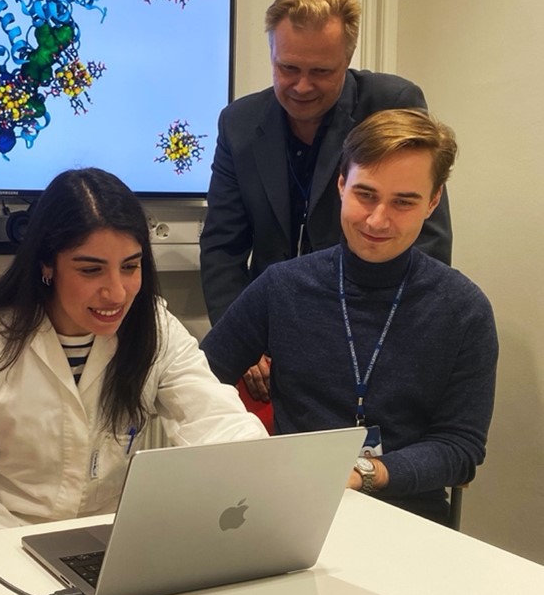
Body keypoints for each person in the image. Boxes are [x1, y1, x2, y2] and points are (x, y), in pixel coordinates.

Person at [0, 167, 266, 537]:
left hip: (108, 543)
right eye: (91, 270)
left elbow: (218, 421)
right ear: (47, 264)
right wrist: (15, 551)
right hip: (0, 544)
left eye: (130, 266)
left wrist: (257, 470)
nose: (116, 293)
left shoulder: (155, 328)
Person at [200, 109, 497, 524]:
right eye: (365, 194)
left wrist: (360, 474)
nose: (378, 220)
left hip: (410, 519)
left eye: (403, 202)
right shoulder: (282, 286)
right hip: (291, 509)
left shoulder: (464, 310)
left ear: (433, 201)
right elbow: (199, 381)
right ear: (341, 185)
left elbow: (460, 447)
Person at [199, 0, 453, 401]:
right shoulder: (238, 122)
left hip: (368, 332)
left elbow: (426, 239)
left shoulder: (391, 102)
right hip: (269, 334)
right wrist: (243, 337)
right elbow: (222, 245)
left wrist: (388, 343)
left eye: (320, 71)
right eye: (287, 68)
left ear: (347, 61)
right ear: (272, 55)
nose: (301, 86)